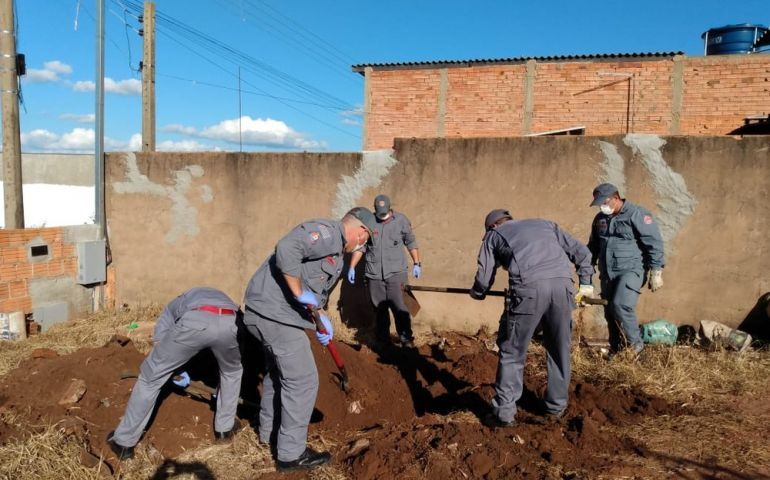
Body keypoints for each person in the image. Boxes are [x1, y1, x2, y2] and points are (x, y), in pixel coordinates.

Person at [243, 207, 376, 473]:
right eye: (366, 239)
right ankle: (291, 455)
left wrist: (321, 318)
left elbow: (312, 292)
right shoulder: (328, 234)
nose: (363, 245)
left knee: (276, 374)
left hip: (268, 314)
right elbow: (287, 248)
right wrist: (299, 292)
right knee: (302, 380)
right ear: (361, 231)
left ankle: (268, 434)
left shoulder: (336, 252)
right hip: (275, 316)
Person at [469, 209, 594, 427]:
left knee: (512, 352)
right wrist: (586, 283)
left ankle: (504, 415)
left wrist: (478, 292)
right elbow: (581, 252)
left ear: (492, 226)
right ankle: (556, 408)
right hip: (563, 287)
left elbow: (484, 275)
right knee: (558, 349)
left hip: (529, 290)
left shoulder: (494, 236)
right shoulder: (545, 224)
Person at [107, 287, 243, 460]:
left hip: (196, 321)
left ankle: (123, 442)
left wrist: (163, 359)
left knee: (150, 378)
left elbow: (165, 325)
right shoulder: (228, 301)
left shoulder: (180, 301)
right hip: (231, 322)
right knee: (232, 373)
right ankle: (225, 430)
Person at [587, 183, 665, 355]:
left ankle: (637, 348)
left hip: (631, 270)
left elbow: (654, 243)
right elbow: (592, 247)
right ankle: (617, 349)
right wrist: (587, 273)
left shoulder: (637, 214)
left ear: (616, 198)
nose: (602, 206)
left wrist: (656, 270)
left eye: (605, 202)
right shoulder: (599, 219)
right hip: (607, 273)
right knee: (610, 312)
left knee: (621, 305)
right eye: (599, 203)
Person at [347, 194, 421, 348]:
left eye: (385, 213)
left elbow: (411, 241)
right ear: (375, 209)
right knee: (379, 309)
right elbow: (361, 247)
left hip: (396, 273)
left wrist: (417, 263)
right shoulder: (369, 222)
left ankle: (406, 338)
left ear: (390, 209)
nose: (383, 217)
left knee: (400, 307)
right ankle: (383, 340)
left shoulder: (401, 221)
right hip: (374, 274)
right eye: (380, 214)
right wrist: (352, 267)